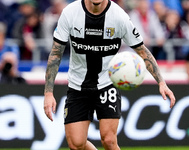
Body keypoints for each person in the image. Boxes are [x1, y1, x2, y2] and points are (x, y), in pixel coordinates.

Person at [43, 0, 176, 149]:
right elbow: (55, 54)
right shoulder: (70, 13)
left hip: (107, 84)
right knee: (75, 144)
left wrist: (161, 82)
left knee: (109, 141)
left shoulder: (119, 17)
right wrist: (48, 93)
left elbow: (142, 51)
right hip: (77, 85)